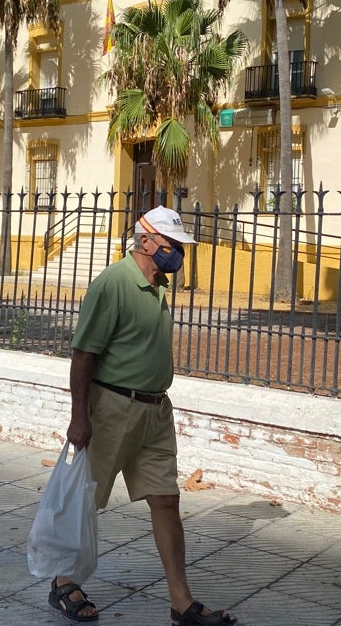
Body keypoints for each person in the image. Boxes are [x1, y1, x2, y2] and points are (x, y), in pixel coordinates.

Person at [47, 206, 238, 625]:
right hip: (112, 408)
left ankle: (181, 602)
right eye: (172, 246)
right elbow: (82, 356)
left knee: (167, 500)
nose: (178, 255)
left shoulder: (158, 285)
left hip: (155, 410)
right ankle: (63, 582)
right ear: (147, 241)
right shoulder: (113, 284)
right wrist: (80, 418)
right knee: (86, 501)